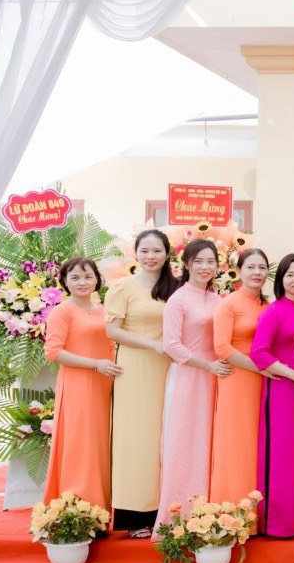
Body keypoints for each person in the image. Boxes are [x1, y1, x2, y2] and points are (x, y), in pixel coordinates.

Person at [154, 239, 231, 536]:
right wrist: (207, 365)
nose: (204, 267)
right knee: (186, 443)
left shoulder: (217, 299)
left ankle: (211, 512)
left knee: (212, 442)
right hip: (189, 378)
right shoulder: (179, 299)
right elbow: (171, 345)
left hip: (217, 378)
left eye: (210, 261)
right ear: (186, 264)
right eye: (198, 261)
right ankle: (181, 516)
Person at [105, 228, 177, 537]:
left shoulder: (175, 288)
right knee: (136, 438)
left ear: (167, 254)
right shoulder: (122, 287)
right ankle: (135, 515)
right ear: (136, 253)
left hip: (171, 368)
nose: (151, 256)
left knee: (166, 436)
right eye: (145, 250)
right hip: (134, 369)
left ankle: (168, 509)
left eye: (157, 250)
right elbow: (113, 331)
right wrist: (152, 344)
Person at [251, 253, 294, 537]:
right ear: (280, 279)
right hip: (282, 390)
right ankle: (278, 524)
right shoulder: (274, 311)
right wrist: (293, 374)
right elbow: (259, 352)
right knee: (282, 455)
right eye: (290, 274)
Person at [43, 256, 121, 511]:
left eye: (88, 276)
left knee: (101, 444)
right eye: (75, 277)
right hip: (79, 385)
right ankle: (80, 507)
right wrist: (95, 364)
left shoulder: (103, 310)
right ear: (65, 282)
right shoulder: (63, 311)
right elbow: (53, 352)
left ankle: (102, 506)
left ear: (97, 279)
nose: (82, 282)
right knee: (82, 444)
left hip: (105, 383)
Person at [208, 248, 269, 502]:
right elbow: (222, 348)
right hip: (237, 378)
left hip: (265, 381)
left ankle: (258, 505)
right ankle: (231, 505)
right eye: (250, 267)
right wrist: (261, 368)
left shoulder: (268, 305)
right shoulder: (229, 304)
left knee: (258, 441)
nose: (257, 272)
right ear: (239, 271)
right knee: (236, 440)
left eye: (262, 267)